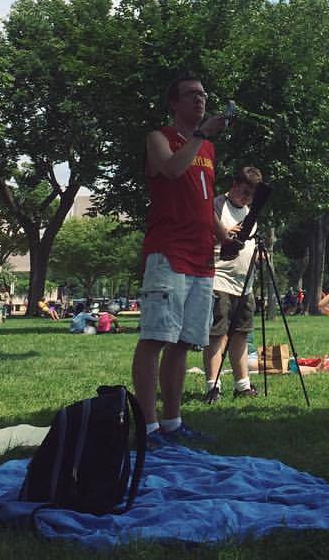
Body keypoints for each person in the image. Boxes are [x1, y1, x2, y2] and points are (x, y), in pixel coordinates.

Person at [131, 71, 232, 447]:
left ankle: (172, 423)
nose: (200, 99)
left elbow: (204, 203)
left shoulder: (207, 150)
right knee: (155, 338)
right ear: (174, 103)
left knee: (184, 343)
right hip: (169, 253)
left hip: (202, 258)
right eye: (190, 94)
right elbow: (171, 170)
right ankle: (148, 428)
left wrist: (224, 237)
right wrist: (201, 134)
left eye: (203, 94)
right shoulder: (159, 138)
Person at [202, 166, 264, 402]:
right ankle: (213, 386)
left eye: (251, 195)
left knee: (241, 335)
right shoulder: (217, 206)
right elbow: (201, 236)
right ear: (234, 185)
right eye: (244, 192)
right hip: (219, 280)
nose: (247, 198)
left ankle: (242, 385)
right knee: (217, 335)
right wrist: (224, 232)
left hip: (244, 284)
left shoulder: (250, 213)